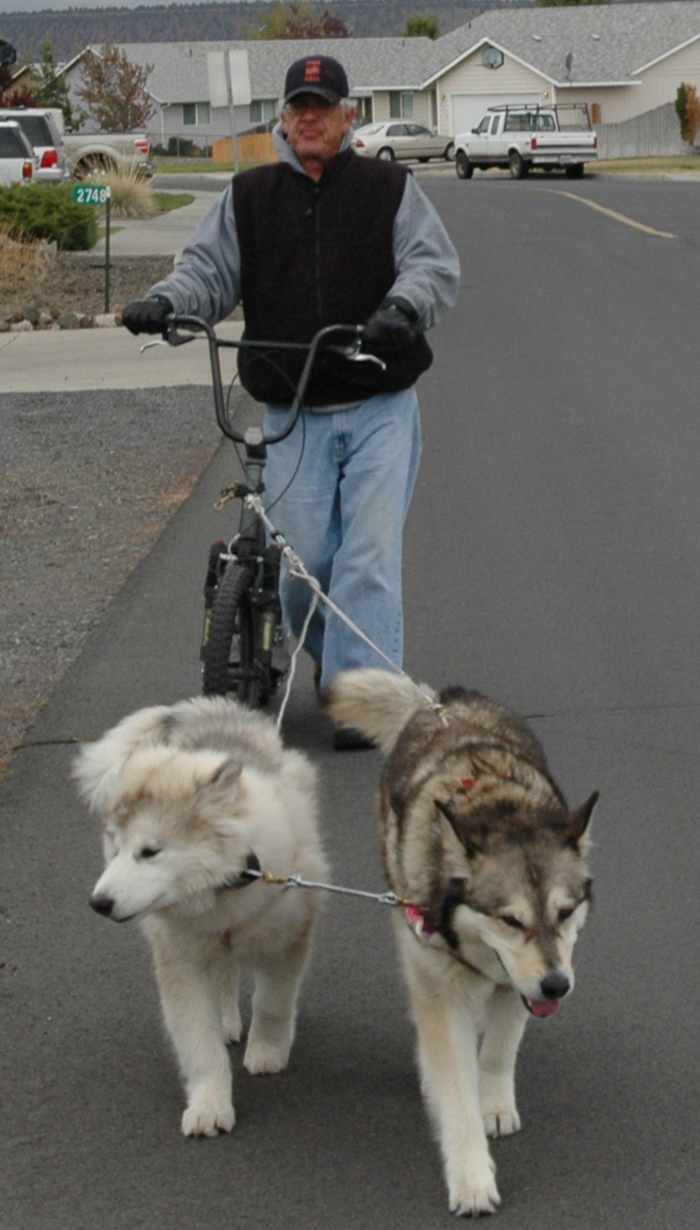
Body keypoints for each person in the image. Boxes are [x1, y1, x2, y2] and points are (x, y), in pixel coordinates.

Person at [122, 54, 460, 750]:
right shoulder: (247, 197)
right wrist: (164, 303)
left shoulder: (390, 188)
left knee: (366, 557)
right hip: (292, 412)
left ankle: (360, 701)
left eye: (322, 105)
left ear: (347, 116)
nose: (309, 117)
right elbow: (205, 274)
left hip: (378, 403)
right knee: (302, 564)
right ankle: (341, 660)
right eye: (298, 105)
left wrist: (403, 308)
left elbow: (433, 266)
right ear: (283, 117)